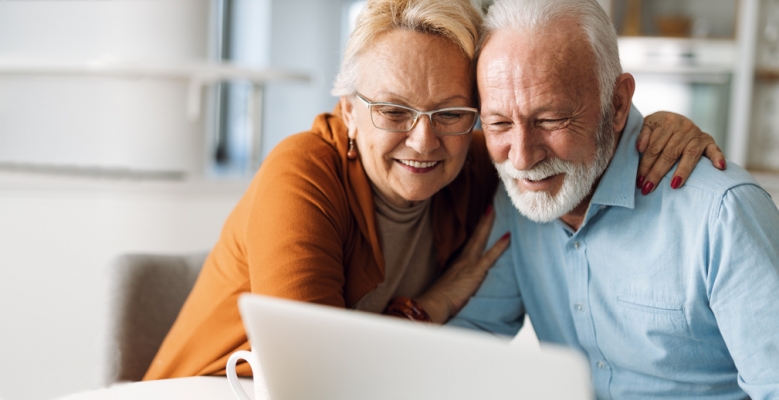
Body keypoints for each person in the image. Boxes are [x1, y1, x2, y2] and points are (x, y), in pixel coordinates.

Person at [144, 0, 724, 380]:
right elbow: (314, 383)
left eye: (451, 112)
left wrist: (658, 126)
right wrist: (437, 303)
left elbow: (559, 131)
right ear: (347, 111)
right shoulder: (302, 174)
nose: (424, 141)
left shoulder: (478, 164)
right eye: (394, 110)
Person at [448, 0, 779, 398]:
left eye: (551, 120)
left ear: (618, 103)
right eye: (499, 123)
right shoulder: (522, 198)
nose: (521, 157)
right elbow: (468, 344)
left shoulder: (722, 214)